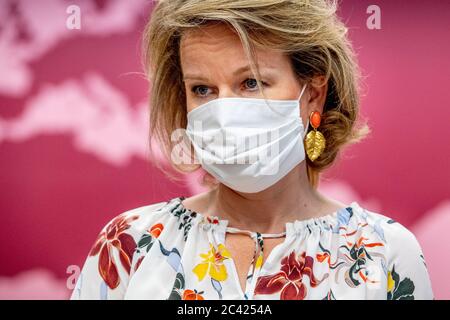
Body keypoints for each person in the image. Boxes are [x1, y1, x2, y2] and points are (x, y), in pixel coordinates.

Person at [71, 0, 433, 300]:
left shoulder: (383, 254)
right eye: (202, 89)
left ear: (314, 94)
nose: (224, 113)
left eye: (251, 82)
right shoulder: (131, 244)